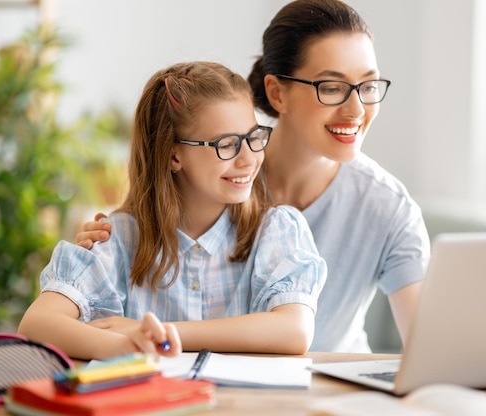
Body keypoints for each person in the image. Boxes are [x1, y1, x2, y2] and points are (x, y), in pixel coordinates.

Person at [76, 0, 429, 353]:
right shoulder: (220, 177)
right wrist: (114, 237)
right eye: (332, 88)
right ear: (277, 93)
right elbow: (150, 221)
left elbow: (429, 346)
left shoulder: (390, 207)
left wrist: (159, 333)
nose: (356, 110)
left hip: (332, 391)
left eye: (368, 86)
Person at [18, 61, 326, 360]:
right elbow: (37, 325)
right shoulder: (119, 238)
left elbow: (294, 330)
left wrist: (159, 332)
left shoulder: (275, 230)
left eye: (253, 137)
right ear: (173, 155)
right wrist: (128, 347)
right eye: (228, 144)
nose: (248, 158)